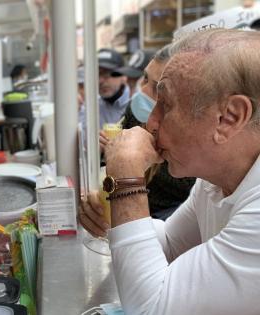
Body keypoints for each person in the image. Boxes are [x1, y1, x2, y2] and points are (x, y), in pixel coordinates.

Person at [81, 29, 260, 314]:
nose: (151, 123)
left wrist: (126, 178)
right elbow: (171, 243)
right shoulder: (215, 181)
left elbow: (152, 309)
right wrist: (113, 216)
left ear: (229, 118)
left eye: (165, 104)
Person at [100, 45, 196, 220]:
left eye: (158, 89)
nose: (141, 91)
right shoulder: (135, 111)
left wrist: (131, 164)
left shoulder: (199, 174)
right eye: (144, 79)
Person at [96, 48, 131, 128]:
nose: (100, 80)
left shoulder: (138, 104)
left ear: (123, 76)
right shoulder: (90, 108)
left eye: (107, 73)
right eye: (96, 74)